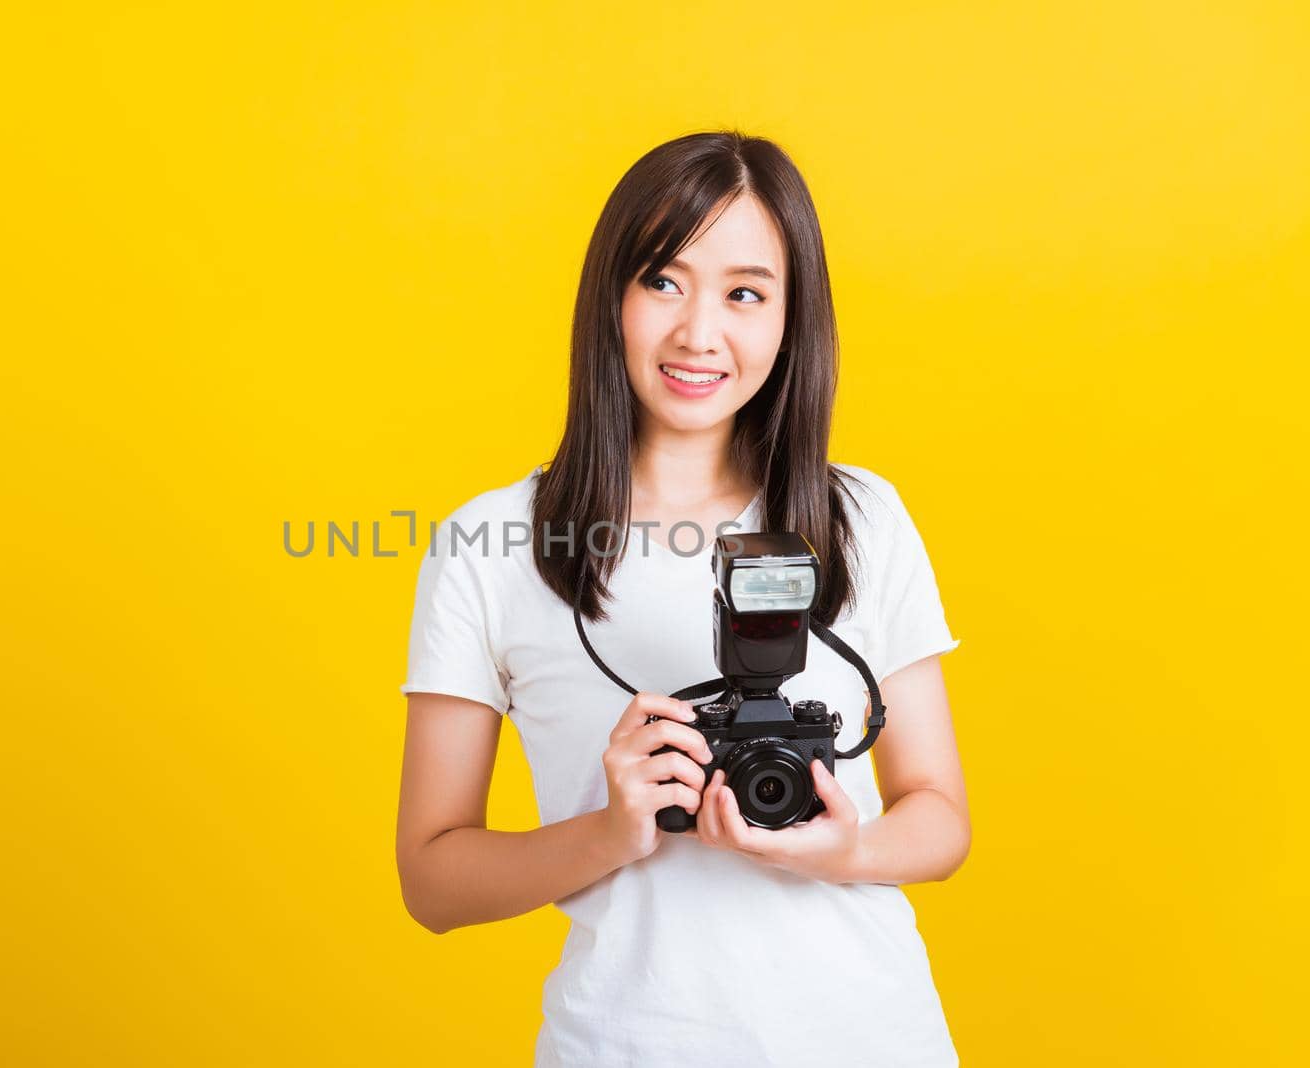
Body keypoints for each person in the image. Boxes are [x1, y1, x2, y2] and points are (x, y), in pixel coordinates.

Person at [395, 130, 970, 1067]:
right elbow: (431, 880)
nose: (700, 332)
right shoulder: (487, 544)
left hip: (875, 1036)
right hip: (623, 1044)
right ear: (610, 298)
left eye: (745, 293)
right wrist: (610, 832)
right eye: (663, 280)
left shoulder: (862, 516)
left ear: (792, 320)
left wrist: (840, 850)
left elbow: (940, 817)